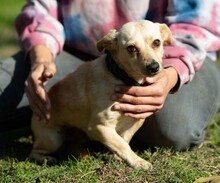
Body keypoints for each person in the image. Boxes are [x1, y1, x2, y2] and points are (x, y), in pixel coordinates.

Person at [0, 0, 220, 150]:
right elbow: (42, 9)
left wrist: (170, 76)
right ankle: (90, 127)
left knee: (176, 130)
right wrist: (41, 59)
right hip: (73, 50)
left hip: (182, 55)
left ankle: (93, 128)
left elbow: (196, 22)